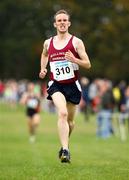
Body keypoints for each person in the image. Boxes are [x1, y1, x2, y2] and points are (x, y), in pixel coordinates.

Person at [39, 9, 91, 163]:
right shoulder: (48, 42)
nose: (62, 23)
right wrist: (43, 68)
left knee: (70, 122)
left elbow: (88, 64)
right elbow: (44, 54)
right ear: (55, 24)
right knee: (62, 113)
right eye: (59, 20)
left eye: (64, 20)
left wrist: (74, 59)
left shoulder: (76, 42)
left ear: (69, 23)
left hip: (72, 85)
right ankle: (66, 151)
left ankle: (64, 145)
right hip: (56, 84)